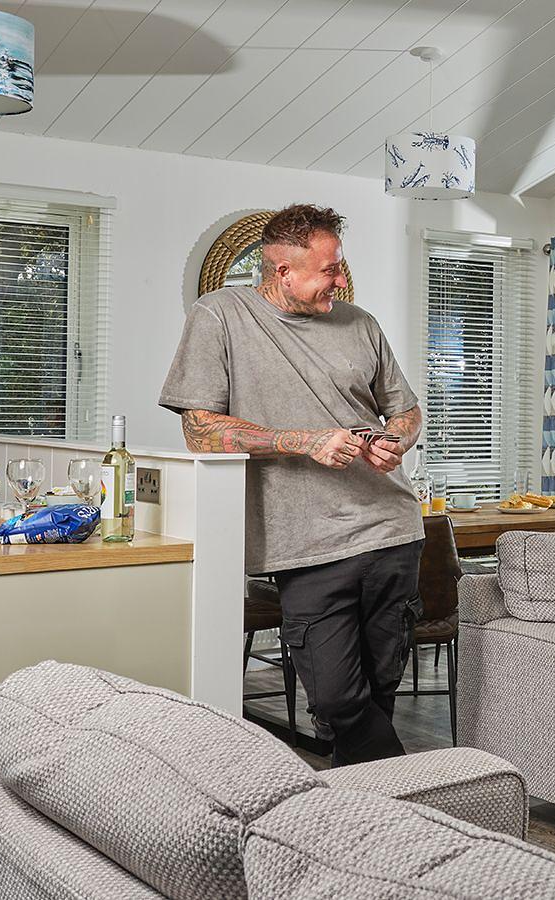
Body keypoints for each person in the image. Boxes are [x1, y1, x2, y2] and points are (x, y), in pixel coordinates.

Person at [158, 204, 423, 766]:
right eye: (329, 269)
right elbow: (199, 431)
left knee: (379, 689)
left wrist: (392, 440)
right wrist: (302, 441)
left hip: (393, 530)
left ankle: (358, 813)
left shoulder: (361, 324)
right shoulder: (220, 316)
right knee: (334, 695)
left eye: (340, 266)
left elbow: (406, 411)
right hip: (303, 545)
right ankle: (415, 787)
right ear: (282, 270)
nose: (341, 280)